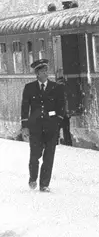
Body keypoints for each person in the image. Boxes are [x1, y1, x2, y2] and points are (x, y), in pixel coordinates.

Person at [19, 58, 67, 192]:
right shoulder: (29, 88)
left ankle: (44, 184)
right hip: (35, 127)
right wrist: (25, 125)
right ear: (37, 74)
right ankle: (33, 178)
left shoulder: (56, 88)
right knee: (35, 155)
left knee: (49, 156)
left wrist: (58, 121)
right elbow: (25, 107)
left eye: (46, 71)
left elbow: (61, 106)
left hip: (51, 127)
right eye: (42, 71)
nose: (45, 73)